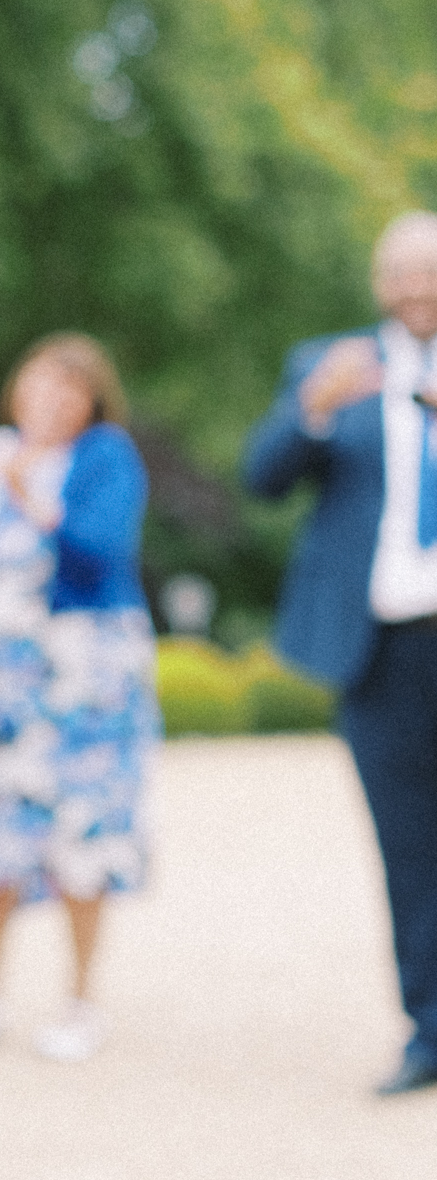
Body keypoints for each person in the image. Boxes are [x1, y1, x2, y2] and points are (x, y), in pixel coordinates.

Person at [0, 333, 157, 1064]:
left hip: (86, 674)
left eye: (68, 389)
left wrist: (26, 490)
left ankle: (80, 1001)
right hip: (0, 681)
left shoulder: (105, 456)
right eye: (38, 384)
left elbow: (95, 550)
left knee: (82, 829)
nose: (49, 401)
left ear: (91, 401)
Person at [243, 210, 437, 1096]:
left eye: (427, 272)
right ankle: (427, 1028)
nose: (413, 289)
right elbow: (262, 477)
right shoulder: (333, 366)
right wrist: (311, 407)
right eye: (398, 273)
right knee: (407, 845)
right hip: (381, 649)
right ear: (377, 283)